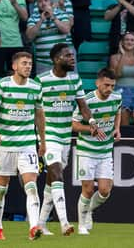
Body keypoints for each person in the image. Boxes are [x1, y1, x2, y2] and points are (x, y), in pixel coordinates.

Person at [35, 43, 99, 237]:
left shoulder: (75, 80)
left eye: (73, 55)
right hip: (48, 134)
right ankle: (64, 222)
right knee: (56, 172)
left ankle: (40, 224)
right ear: (56, 60)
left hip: (65, 137)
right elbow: (35, 109)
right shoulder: (42, 80)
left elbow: (83, 107)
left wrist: (92, 120)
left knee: (51, 180)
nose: (72, 58)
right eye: (67, 55)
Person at [0, 51, 45, 241]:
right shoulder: (2, 85)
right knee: (1, 188)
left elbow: (39, 115)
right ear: (14, 66)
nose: (28, 66)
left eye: (30, 63)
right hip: (5, 145)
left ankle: (34, 226)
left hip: (27, 144)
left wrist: (42, 140)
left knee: (31, 186)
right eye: (24, 63)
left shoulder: (36, 87)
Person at [72, 67, 121, 235]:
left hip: (105, 150)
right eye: (106, 85)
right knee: (87, 189)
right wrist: (89, 129)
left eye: (112, 86)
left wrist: (117, 129)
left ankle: (88, 211)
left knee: (105, 190)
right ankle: (81, 225)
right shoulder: (87, 101)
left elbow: (118, 111)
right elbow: (73, 124)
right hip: (86, 150)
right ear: (98, 83)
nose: (110, 89)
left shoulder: (116, 97)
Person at [109, 31, 134, 128]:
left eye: (132, 40)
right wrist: (123, 55)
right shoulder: (114, 57)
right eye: (126, 40)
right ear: (122, 42)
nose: (129, 42)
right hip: (120, 90)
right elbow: (117, 74)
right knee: (124, 125)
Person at [26, 0, 72, 74]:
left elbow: (66, 30)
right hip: (42, 63)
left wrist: (53, 17)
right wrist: (41, 20)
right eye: (40, 1)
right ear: (37, 4)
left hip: (62, 62)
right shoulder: (33, 18)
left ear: (51, 2)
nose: (43, 3)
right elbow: (29, 36)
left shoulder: (62, 14)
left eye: (46, 0)